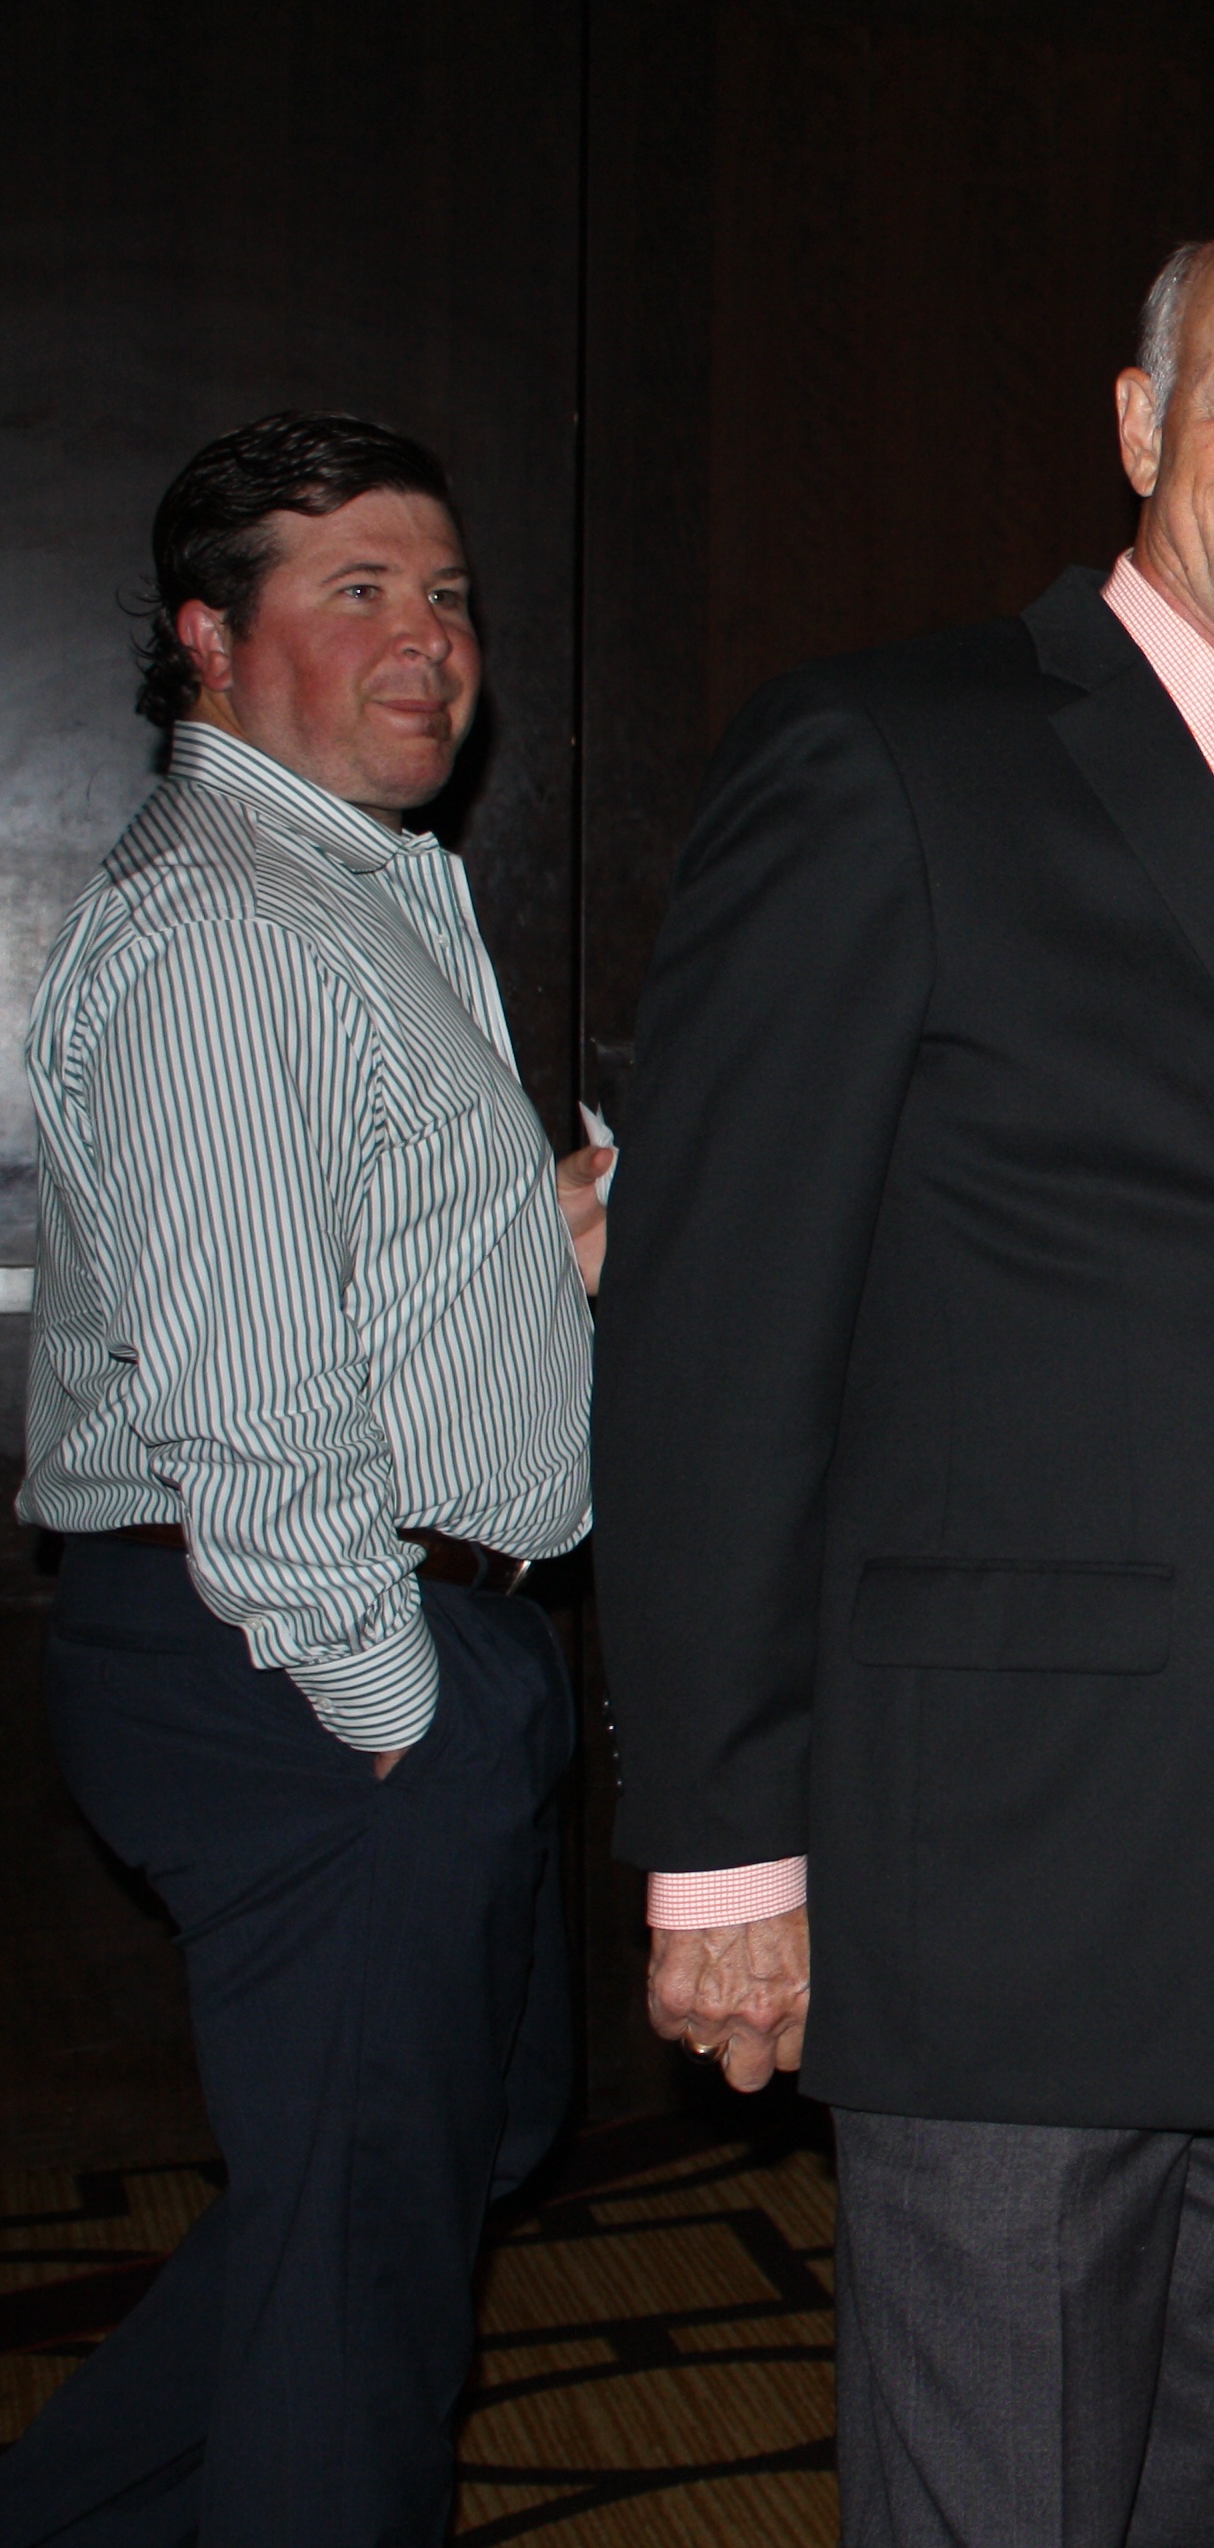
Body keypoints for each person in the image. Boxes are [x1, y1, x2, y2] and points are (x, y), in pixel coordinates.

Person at [589, 220, 1214, 2548]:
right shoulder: (890, 752)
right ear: (1139, 422)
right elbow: (713, 1334)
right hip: (1010, 1882)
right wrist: (721, 1840)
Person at [0, 412, 607, 2547]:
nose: (427, 637)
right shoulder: (237, 924)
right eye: (357, 590)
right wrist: (388, 1709)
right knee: (362, 2292)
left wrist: (539, 1237)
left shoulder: (347, 887)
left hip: (378, 1642)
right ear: (207, 636)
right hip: (303, 1658)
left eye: (444, 593)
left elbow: (331, 1262)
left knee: (414, 2180)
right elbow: (250, 1398)